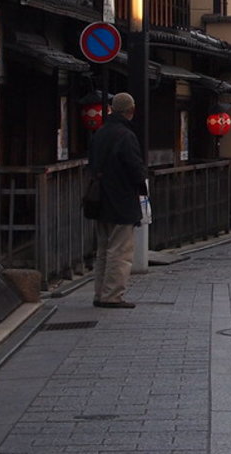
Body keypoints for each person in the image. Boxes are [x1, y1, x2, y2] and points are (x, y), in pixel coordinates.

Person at [87, 92, 147, 309]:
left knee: (103, 249)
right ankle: (112, 295)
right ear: (130, 110)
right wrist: (142, 182)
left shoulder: (100, 132)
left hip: (99, 197)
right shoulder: (126, 135)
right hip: (121, 198)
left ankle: (99, 292)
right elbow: (134, 168)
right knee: (120, 250)